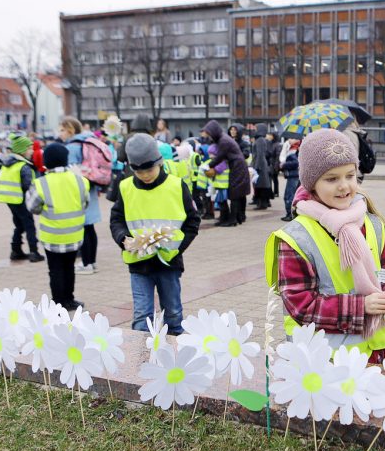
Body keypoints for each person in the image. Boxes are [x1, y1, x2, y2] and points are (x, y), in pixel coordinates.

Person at [265, 129, 385, 365]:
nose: (344, 186)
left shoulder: (372, 223)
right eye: (331, 179)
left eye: (350, 175)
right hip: (322, 366)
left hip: (375, 355)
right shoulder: (295, 237)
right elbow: (301, 306)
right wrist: (362, 307)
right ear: (311, 184)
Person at [110, 133, 200, 335]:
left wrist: (178, 247)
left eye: (149, 169)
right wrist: (123, 238)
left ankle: (176, 358)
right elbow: (116, 219)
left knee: (174, 314)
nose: (145, 175)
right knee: (142, 316)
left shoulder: (176, 186)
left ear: (159, 162)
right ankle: (140, 361)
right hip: (139, 262)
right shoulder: (125, 187)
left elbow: (193, 220)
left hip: (169, 263)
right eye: (138, 171)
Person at [26, 143, 89, 311]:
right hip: (74, 235)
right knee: (69, 268)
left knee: (55, 270)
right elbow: (85, 203)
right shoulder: (80, 180)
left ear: (46, 162)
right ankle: (69, 299)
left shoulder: (40, 183)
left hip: (52, 237)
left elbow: (32, 207)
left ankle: (58, 302)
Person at [59, 116, 101, 276]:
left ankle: (86, 263)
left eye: (62, 129)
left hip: (78, 190)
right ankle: (93, 262)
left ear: (70, 129)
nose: (60, 133)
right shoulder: (87, 141)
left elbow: (70, 171)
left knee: (83, 228)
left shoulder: (71, 147)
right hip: (90, 186)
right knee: (90, 228)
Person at [0, 134, 44, 262]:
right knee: (29, 225)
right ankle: (34, 252)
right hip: (21, 199)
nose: (32, 151)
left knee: (19, 225)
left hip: (10, 199)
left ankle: (16, 250)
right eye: (29, 148)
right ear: (22, 150)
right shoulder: (23, 166)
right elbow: (28, 185)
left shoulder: (8, 163)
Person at [203, 120, 249, 226]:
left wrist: (209, 166)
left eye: (210, 133)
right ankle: (234, 218)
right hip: (237, 166)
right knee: (235, 194)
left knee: (234, 194)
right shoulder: (223, 139)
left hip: (237, 167)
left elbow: (220, 156)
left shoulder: (224, 141)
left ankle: (232, 220)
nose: (209, 136)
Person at [251, 124, 273, 210]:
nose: (254, 130)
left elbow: (260, 154)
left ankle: (262, 204)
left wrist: (256, 167)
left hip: (260, 166)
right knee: (260, 185)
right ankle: (261, 203)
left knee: (261, 185)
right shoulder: (260, 139)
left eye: (256, 129)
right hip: (260, 165)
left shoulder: (260, 140)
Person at [279, 138, 300, 221]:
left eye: (292, 138)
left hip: (293, 176)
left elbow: (296, 163)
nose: (289, 140)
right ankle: (291, 213)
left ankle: (290, 214)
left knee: (288, 196)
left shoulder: (294, 150)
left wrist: (284, 165)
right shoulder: (293, 149)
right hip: (294, 175)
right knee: (292, 196)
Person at [268, 130, 282, 198]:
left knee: (275, 179)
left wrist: (276, 166)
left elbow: (278, 156)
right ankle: (272, 192)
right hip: (270, 164)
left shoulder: (277, 145)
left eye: (271, 135)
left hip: (274, 165)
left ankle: (276, 192)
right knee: (271, 179)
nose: (270, 136)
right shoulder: (270, 143)